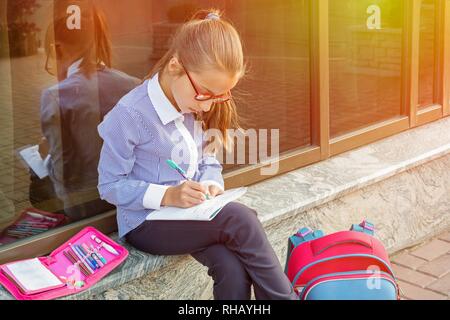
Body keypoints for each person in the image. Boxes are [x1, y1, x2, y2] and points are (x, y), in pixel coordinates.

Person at [97, 9, 298, 300]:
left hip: (189, 213)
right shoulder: (129, 115)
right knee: (240, 219)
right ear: (176, 66)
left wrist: (212, 184)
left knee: (230, 266)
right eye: (205, 94)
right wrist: (168, 196)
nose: (207, 107)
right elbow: (110, 185)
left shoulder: (190, 102)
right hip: (147, 222)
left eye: (219, 97)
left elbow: (207, 160)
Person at [31, 0, 140, 220]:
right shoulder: (133, 85)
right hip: (129, 203)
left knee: (36, 173)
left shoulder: (55, 96)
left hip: (85, 212)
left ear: (57, 48)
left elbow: (64, 177)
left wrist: (45, 157)